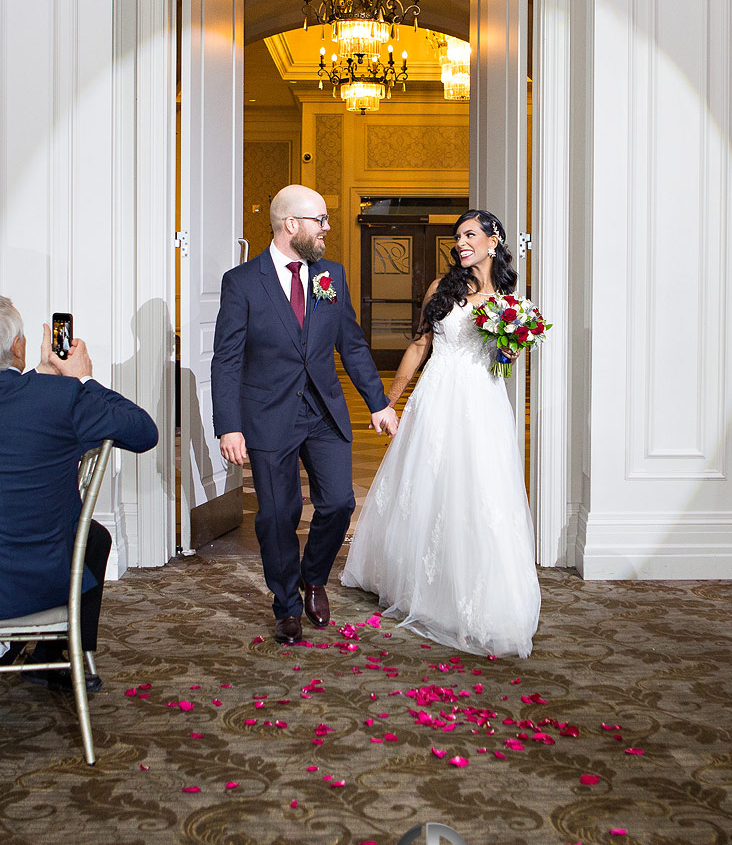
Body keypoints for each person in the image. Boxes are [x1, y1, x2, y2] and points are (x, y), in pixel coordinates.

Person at [341, 210, 542, 658]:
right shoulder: (442, 289)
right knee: (429, 484)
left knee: (480, 491)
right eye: (458, 236)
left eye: (471, 235)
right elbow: (419, 345)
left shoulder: (509, 298)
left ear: (494, 241)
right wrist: (389, 400)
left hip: (483, 404)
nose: (461, 243)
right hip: (436, 397)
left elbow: (502, 361)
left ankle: (476, 590)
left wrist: (511, 344)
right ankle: (417, 582)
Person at [211, 185, 398, 645]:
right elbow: (227, 359)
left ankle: (313, 578)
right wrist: (229, 425)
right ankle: (287, 605)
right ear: (291, 224)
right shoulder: (242, 282)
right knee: (277, 515)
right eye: (321, 219)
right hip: (267, 414)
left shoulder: (329, 275)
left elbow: (351, 344)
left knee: (338, 503)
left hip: (323, 411)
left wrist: (378, 402)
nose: (328, 228)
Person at [0, 297, 159, 691]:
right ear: (17, 346)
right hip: (39, 583)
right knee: (93, 537)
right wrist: (84, 378)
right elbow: (144, 431)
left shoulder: (45, 394)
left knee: (97, 537)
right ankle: (58, 655)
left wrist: (37, 376)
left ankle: (48, 657)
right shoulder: (57, 400)